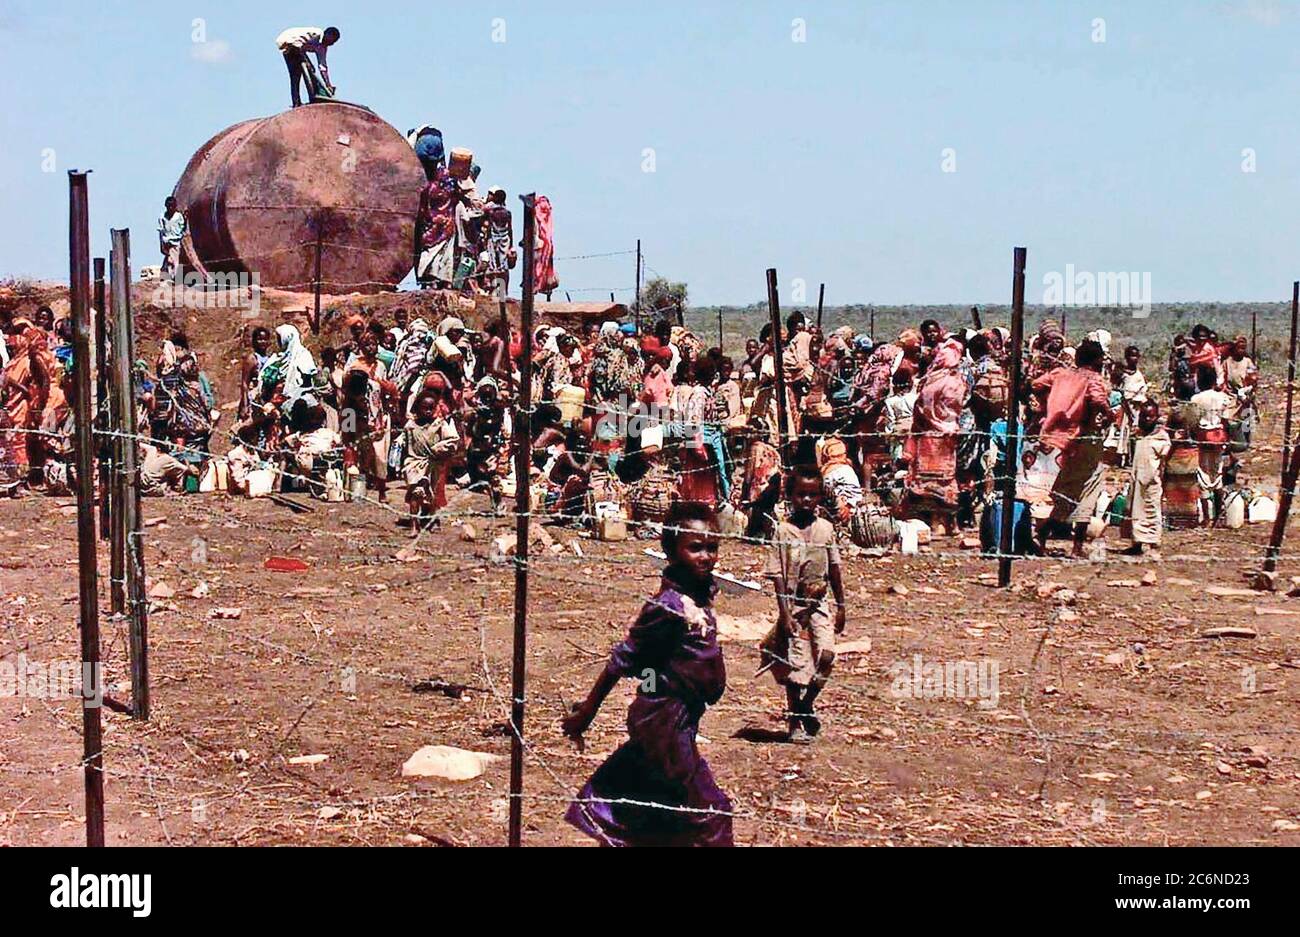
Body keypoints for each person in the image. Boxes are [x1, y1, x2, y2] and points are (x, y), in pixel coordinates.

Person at [561, 501, 732, 847]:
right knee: (710, 812)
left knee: (655, 803)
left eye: (712, 547)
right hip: (666, 721)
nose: (706, 557)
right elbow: (623, 660)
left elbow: (650, 666)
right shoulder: (669, 606)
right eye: (695, 548)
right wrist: (588, 713)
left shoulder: (696, 595)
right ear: (670, 551)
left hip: (673, 715)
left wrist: (652, 687)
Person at [759, 465, 846, 744]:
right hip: (794, 607)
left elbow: (834, 569)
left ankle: (805, 706)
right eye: (800, 494)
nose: (806, 500)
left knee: (827, 655)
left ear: (820, 497)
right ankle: (795, 722)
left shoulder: (826, 530)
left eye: (812, 495)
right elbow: (778, 576)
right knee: (797, 667)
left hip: (818, 604)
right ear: (790, 496)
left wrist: (842, 605)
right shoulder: (783, 531)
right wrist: (785, 614)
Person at [1031, 339, 1115, 558]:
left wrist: (1049, 405)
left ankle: (1042, 534)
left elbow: (1036, 384)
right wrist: (1108, 415)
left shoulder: (1062, 374)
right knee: (1088, 489)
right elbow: (1097, 399)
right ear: (1097, 360)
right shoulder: (1094, 379)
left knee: (1066, 489)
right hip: (1087, 438)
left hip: (1064, 439)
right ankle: (1076, 546)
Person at [402, 387, 460, 532]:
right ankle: (414, 525)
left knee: (431, 494)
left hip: (432, 464)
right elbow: (404, 443)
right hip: (414, 463)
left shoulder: (439, 425)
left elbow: (453, 439)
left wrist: (439, 448)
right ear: (417, 408)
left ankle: (433, 519)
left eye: (431, 408)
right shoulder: (410, 426)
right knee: (416, 492)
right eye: (424, 408)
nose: (427, 411)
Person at [1122, 400, 1170, 558]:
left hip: (1151, 482)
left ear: (1156, 417)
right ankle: (1136, 542)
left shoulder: (1161, 437)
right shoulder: (1140, 435)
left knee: (1150, 510)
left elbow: (1165, 457)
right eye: (1144, 416)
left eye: (1150, 416)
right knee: (1134, 509)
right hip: (1137, 479)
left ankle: (1151, 542)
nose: (1147, 420)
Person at [1189, 364, 1231, 525]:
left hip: (1203, 438)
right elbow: (1226, 419)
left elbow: (1193, 421)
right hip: (1219, 437)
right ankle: (1219, 514)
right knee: (1217, 472)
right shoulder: (1222, 397)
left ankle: (1207, 517)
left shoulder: (1196, 399)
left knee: (1203, 474)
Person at [276, 26, 339, 106]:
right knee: (297, 73)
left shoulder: (322, 48)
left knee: (308, 69)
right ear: (328, 35)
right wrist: (307, 61)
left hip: (298, 48)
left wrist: (328, 84)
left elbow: (322, 67)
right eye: (332, 40)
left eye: (333, 42)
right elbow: (298, 44)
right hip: (289, 41)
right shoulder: (316, 34)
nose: (332, 44)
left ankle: (312, 96)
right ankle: (297, 102)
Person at [157, 197, 187, 278]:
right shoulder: (163, 217)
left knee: (173, 260)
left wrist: (182, 234)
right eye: (168, 207)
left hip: (175, 241)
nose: (170, 209)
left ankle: (174, 276)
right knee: (170, 258)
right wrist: (162, 243)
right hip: (166, 241)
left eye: (172, 207)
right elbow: (161, 230)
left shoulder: (178, 216)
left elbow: (183, 227)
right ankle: (170, 275)